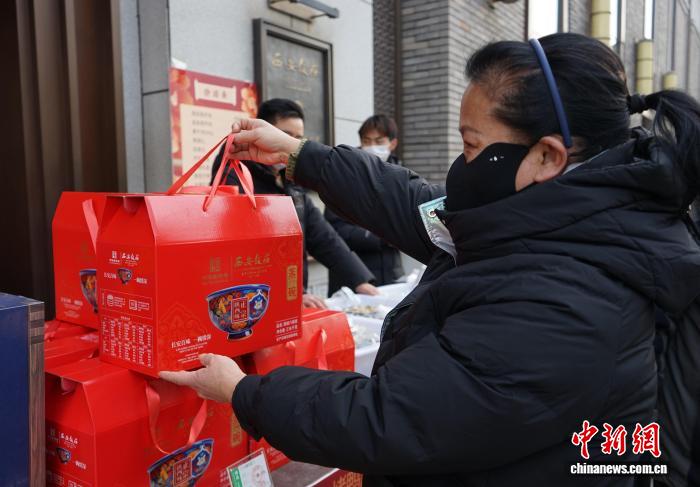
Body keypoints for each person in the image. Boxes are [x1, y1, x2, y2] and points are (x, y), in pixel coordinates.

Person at [162, 33, 700, 486]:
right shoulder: (554, 215)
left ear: (547, 155)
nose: (461, 166)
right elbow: (417, 208)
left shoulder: (572, 299)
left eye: (471, 146)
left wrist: (244, 392)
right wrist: (300, 156)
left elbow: (388, 419)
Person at [210, 98, 379, 308]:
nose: (289, 144)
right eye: (284, 135)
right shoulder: (235, 173)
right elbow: (241, 253)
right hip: (253, 302)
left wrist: (359, 279)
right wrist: (286, 294)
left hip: (294, 296)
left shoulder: (289, 178)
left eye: (297, 139)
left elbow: (323, 236)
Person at [325, 115, 404, 295]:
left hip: (392, 273)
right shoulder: (343, 176)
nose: (372, 146)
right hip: (353, 277)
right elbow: (333, 229)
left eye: (379, 141)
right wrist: (381, 237)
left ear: (393, 143)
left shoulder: (402, 178)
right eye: (367, 141)